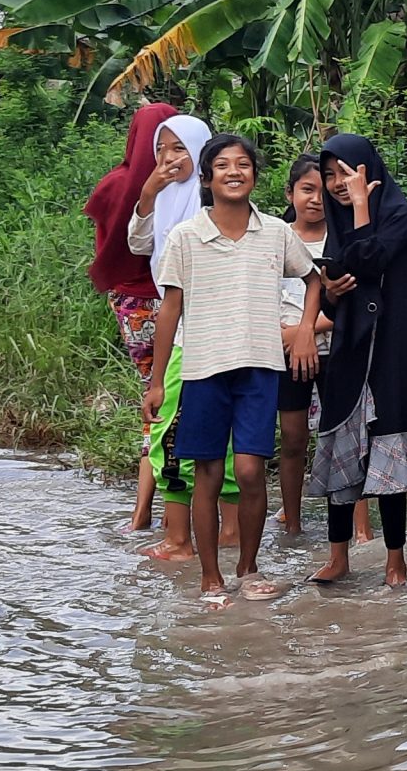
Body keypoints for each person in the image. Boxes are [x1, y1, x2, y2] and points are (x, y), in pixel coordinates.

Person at [140, 133, 323, 605]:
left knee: (248, 472)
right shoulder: (186, 236)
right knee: (207, 471)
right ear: (207, 178)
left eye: (244, 164)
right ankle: (210, 577)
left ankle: (249, 567)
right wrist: (158, 380)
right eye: (223, 165)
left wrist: (306, 329)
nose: (235, 171)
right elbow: (169, 311)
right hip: (204, 369)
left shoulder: (276, 233)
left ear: (255, 176)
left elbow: (313, 280)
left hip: (260, 369)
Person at [307, 133, 407, 587]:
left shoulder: (398, 215)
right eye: (329, 177)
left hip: (389, 351)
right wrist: (330, 292)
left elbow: (369, 260)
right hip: (347, 351)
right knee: (342, 446)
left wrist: (362, 208)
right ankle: (338, 556)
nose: (338, 184)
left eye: (346, 172)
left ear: (368, 170)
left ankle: (395, 560)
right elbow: (334, 294)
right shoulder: (335, 225)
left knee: (389, 453)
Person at [126, 112, 218, 558]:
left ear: (200, 152)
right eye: (161, 149)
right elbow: (140, 246)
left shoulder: (211, 201)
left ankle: (194, 534)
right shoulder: (163, 198)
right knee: (172, 426)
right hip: (175, 322)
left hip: (209, 326)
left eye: (178, 149)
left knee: (208, 431)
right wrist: (147, 194)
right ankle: (178, 531)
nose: (168, 158)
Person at [88, 103, 179, 534]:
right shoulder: (181, 184)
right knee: (168, 403)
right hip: (169, 305)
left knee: (157, 400)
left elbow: (104, 248)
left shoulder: (114, 185)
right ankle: (156, 510)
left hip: (131, 304)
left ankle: (149, 512)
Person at [275, 158, 350, 535]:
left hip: (334, 348)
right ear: (290, 193)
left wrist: (305, 331)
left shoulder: (342, 239)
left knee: (345, 436)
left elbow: (351, 304)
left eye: (323, 191)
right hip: (285, 352)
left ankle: (359, 527)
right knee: (292, 438)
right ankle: (292, 520)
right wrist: (288, 337)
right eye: (307, 189)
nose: (316, 199)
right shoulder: (275, 237)